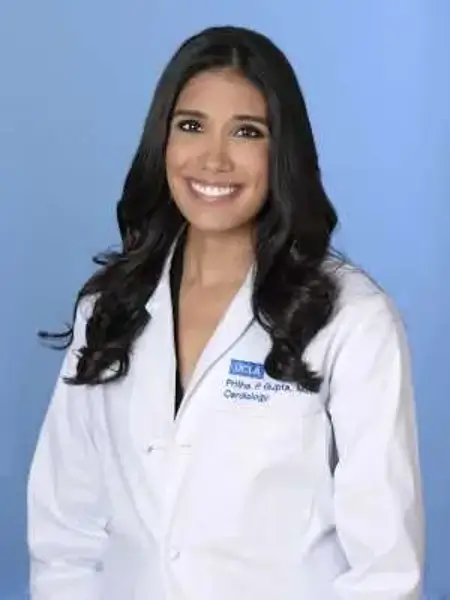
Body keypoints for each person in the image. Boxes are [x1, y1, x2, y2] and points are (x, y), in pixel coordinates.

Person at [27, 25, 424, 600]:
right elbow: (65, 535)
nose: (213, 159)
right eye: (191, 126)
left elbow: (384, 571)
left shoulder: (351, 319)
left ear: (281, 152)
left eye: (246, 132)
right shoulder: (110, 309)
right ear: (162, 139)